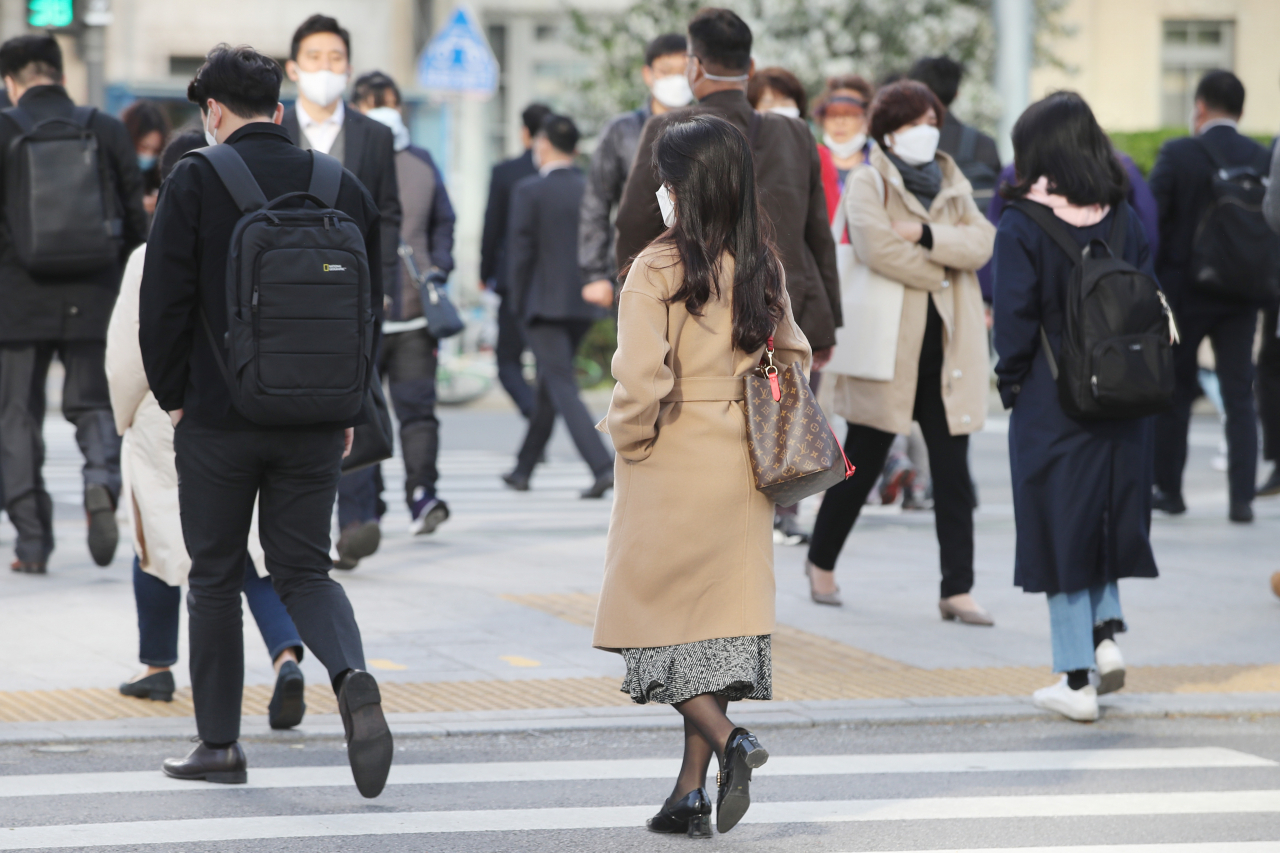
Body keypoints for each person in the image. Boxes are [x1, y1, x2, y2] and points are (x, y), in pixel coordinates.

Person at [139, 44, 392, 796]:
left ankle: (219, 745)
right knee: (304, 570)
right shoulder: (339, 183)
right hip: (317, 418)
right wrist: (350, 405)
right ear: (279, 109)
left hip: (218, 419)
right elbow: (368, 313)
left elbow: (163, 308)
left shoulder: (194, 178)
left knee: (215, 575)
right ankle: (350, 675)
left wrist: (176, 396)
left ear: (212, 112)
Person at [594, 114, 809, 837]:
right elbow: (796, 358)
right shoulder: (761, 263)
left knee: (648, 625)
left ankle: (729, 740)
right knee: (712, 631)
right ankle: (689, 792)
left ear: (682, 187)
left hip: (671, 458)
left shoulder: (655, 267)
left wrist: (628, 439)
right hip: (743, 464)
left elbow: (641, 379)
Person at [108, 129, 308, 728]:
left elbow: (126, 356)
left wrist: (125, 417)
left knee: (159, 543)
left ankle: (157, 665)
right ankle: (286, 655)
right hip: (241, 407)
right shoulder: (251, 240)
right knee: (247, 551)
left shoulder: (148, 256)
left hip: (164, 414)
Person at [993, 92, 1160, 722]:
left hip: (1051, 395)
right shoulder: (1122, 216)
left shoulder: (1021, 223)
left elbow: (1012, 320)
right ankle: (1105, 635)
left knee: (1058, 526)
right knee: (1105, 514)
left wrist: (1011, 384)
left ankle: (1075, 679)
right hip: (1126, 393)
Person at [805, 80, 994, 622]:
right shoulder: (870, 180)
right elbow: (875, 246)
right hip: (889, 346)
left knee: (953, 470)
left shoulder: (951, 178)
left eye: (930, 120)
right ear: (888, 134)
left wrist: (928, 236)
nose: (926, 132)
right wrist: (944, 268)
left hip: (948, 347)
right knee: (861, 461)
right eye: (913, 124)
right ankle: (820, 562)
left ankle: (956, 589)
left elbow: (982, 243)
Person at [614, 8, 840, 374]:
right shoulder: (795, 133)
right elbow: (818, 234)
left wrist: (635, 309)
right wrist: (828, 323)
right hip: (791, 314)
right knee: (784, 424)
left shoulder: (669, 127)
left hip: (698, 313)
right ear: (749, 68)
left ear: (695, 67)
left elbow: (634, 224)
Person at [0, 34, 147, 573]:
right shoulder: (104, 127)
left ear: (10, 83)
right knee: (92, 405)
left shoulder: (3, 127)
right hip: (94, 291)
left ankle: (33, 543)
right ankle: (101, 486)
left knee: (17, 417)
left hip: (16, 299)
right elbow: (136, 218)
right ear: (61, 75)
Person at [279, 14, 403, 567]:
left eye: (334, 59)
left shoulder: (374, 136)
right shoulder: (273, 132)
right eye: (314, 59)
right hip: (284, 294)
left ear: (348, 66)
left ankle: (355, 522)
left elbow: (389, 215)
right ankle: (300, 521)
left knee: (355, 400)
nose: (324, 69)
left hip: (354, 294)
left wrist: (381, 285)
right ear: (293, 68)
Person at [1149, 70, 1271, 524]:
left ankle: (1170, 490)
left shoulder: (1180, 152)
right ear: (1241, 110)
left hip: (1186, 291)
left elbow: (1152, 217)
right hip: (1244, 291)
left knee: (1176, 390)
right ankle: (1241, 499)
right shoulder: (1262, 157)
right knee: (1240, 392)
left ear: (1199, 107)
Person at [352, 71, 456, 539]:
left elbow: (443, 222)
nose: (383, 110)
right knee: (361, 418)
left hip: (414, 314)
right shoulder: (344, 160)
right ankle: (366, 507)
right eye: (373, 102)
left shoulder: (421, 162)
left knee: (416, 412)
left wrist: (439, 267)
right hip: (361, 315)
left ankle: (422, 495)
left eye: (389, 101)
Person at [503, 114, 613, 498]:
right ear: (577, 148)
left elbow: (520, 253)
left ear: (543, 145)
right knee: (552, 381)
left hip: (542, 303)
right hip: (584, 301)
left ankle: (602, 466)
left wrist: (516, 303)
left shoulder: (529, 190)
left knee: (561, 383)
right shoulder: (589, 189)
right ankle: (523, 468)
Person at [579, 33, 688, 311]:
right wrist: (595, 274)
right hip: (635, 266)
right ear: (648, 74)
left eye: (683, 71)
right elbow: (596, 201)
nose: (676, 80)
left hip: (697, 268)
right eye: (666, 71)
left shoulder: (709, 128)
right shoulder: (621, 131)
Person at [480, 103, 552, 418]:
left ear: (525, 133)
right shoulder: (566, 176)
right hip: (554, 282)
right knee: (548, 361)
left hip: (512, 281)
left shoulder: (505, 173)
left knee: (507, 361)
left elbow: (491, 227)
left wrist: (485, 272)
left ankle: (534, 415)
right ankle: (540, 422)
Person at [813, 75, 876, 216]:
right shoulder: (809, 165)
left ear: (867, 118)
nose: (840, 121)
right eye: (832, 113)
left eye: (850, 113)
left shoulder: (883, 166)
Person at [120, 99, 169, 219]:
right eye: (143, 147)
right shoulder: (113, 170)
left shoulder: (159, 173)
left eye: (155, 150)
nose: (148, 155)